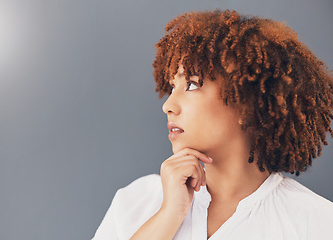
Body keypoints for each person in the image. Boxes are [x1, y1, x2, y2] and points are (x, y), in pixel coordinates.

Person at [92, 9, 333, 239]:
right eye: (172, 87)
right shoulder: (137, 202)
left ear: (247, 104)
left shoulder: (316, 222)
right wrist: (168, 216)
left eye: (193, 85)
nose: (168, 106)